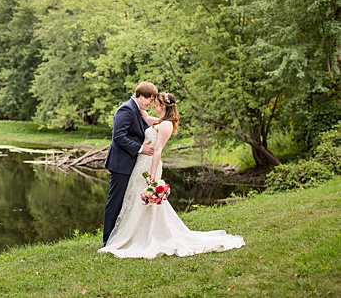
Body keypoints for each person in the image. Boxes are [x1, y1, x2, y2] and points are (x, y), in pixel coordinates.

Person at [99, 92, 245, 258]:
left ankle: (147, 236)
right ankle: (129, 235)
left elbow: (158, 150)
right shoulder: (158, 121)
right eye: (152, 101)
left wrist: (153, 174)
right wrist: (137, 96)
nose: (153, 104)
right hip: (140, 165)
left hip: (149, 166)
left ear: (164, 106)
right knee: (134, 200)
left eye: (157, 102)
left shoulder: (167, 125)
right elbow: (143, 115)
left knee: (148, 203)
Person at [102, 81, 158, 247]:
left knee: (125, 202)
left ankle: (119, 236)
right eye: (149, 99)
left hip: (130, 164)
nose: (150, 103)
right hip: (121, 164)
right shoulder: (126, 109)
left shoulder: (138, 109)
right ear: (140, 96)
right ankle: (107, 240)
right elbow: (118, 136)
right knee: (116, 202)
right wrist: (141, 148)